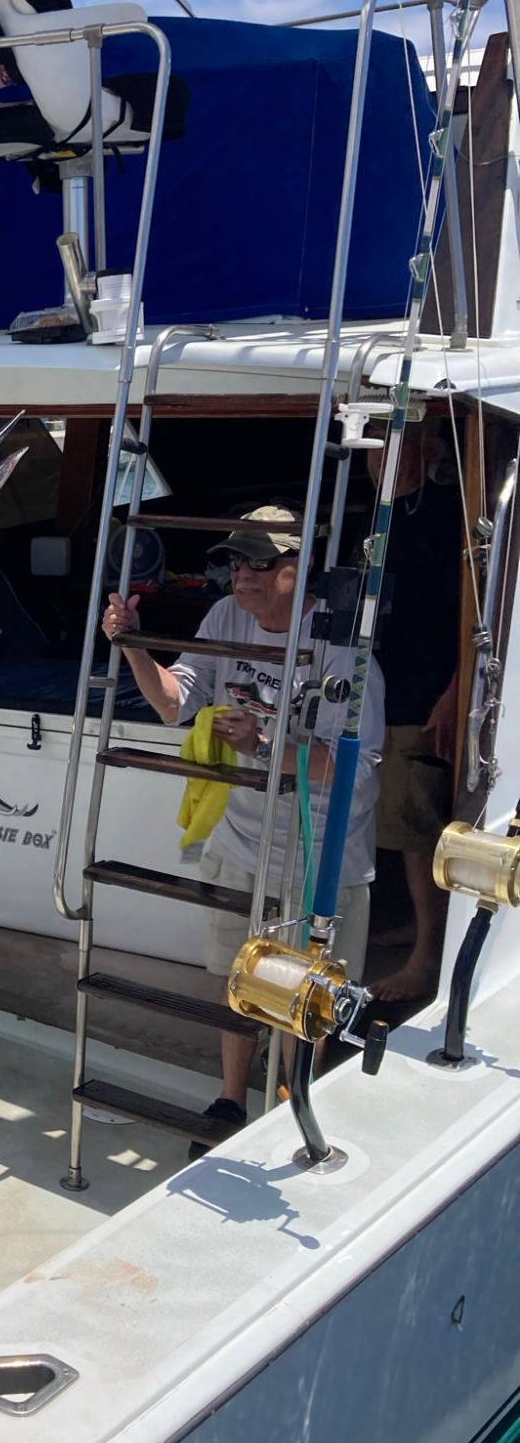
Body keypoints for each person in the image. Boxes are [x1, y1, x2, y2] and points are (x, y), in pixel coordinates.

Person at [102, 506, 384, 1146]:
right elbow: (176, 704)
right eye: (236, 561)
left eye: (260, 562)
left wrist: (261, 744)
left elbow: (357, 773)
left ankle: (296, 1108)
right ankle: (231, 1100)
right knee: (240, 979)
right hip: (243, 840)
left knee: (306, 1001)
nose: (243, 576)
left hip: (321, 857)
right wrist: (135, 645)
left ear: (297, 568)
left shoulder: (343, 647)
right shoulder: (225, 618)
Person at [367, 418, 465, 1004]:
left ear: (424, 448)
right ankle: (410, 929)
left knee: (416, 830)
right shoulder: (370, 519)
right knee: (386, 823)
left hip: (420, 693)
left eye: (393, 441)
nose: (379, 457)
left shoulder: (449, 514)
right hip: (371, 690)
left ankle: (427, 960)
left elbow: (481, 614)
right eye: (373, 444)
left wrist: (455, 691)